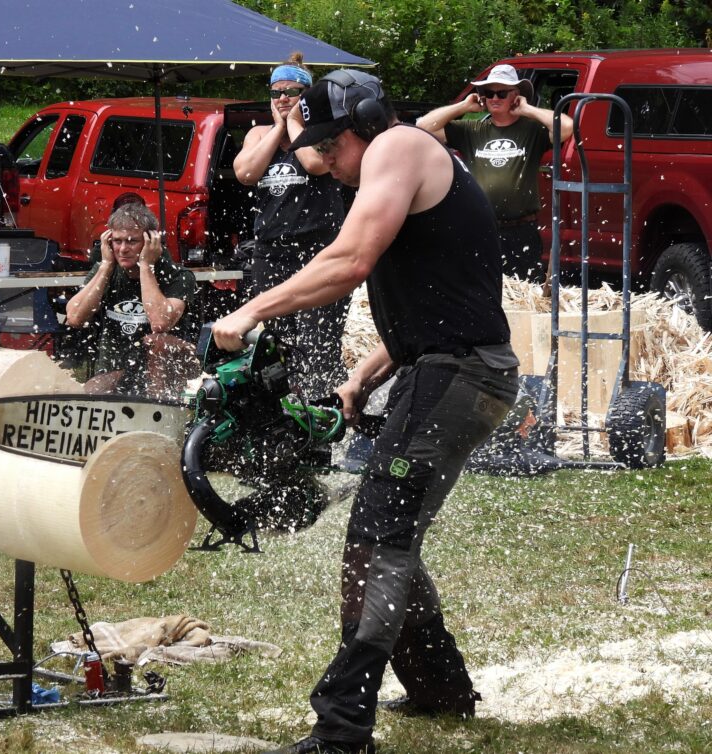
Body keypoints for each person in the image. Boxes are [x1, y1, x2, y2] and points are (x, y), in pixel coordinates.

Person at [212, 70, 520, 754]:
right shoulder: (398, 165)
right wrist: (364, 375)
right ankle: (440, 690)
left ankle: (343, 727)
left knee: (375, 540)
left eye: (329, 150)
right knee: (391, 533)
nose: (331, 168)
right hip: (447, 368)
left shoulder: (398, 147)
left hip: (459, 374)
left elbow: (349, 260)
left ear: (355, 130)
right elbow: (442, 295)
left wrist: (250, 308)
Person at [233, 52, 351, 398]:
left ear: (307, 95)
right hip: (272, 252)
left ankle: (326, 407)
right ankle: (288, 409)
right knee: (280, 341)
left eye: (292, 91)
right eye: (276, 93)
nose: (283, 98)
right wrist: (279, 129)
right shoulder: (258, 135)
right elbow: (245, 173)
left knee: (319, 338)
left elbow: (315, 164)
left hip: (318, 249)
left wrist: (295, 124)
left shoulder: (319, 131)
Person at [416, 63, 573, 284]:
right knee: (480, 288)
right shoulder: (471, 130)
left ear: (515, 96)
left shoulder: (531, 130)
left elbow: (567, 127)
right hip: (480, 226)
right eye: (489, 93)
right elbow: (423, 127)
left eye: (501, 93)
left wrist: (527, 109)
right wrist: (462, 107)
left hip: (521, 229)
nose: (494, 98)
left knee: (522, 291)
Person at [65, 203, 197, 398]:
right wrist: (106, 265)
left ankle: (158, 409)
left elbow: (160, 323)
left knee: (156, 341)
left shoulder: (178, 276)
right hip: (117, 368)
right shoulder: (107, 270)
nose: (123, 249)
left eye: (131, 241)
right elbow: (75, 317)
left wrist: (145, 265)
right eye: (117, 241)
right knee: (90, 395)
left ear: (150, 241)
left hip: (166, 372)